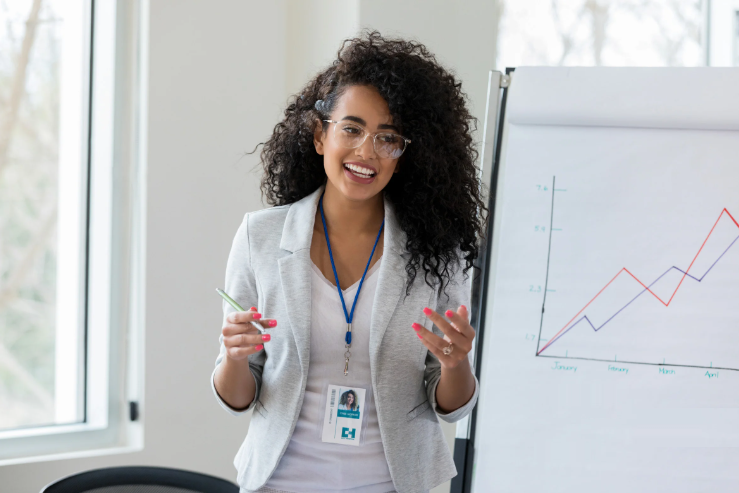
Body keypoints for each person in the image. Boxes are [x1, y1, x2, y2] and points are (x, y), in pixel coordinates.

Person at [212, 30, 487, 493]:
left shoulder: (439, 251)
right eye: (352, 129)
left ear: (404, 155)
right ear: (320, 135)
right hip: (279, 482)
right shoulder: (261, 236)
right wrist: (236, 358)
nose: (366, 152)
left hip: (393, 484)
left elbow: (451, 407)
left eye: (388, 138)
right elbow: (238, 398)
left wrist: (457, 364)